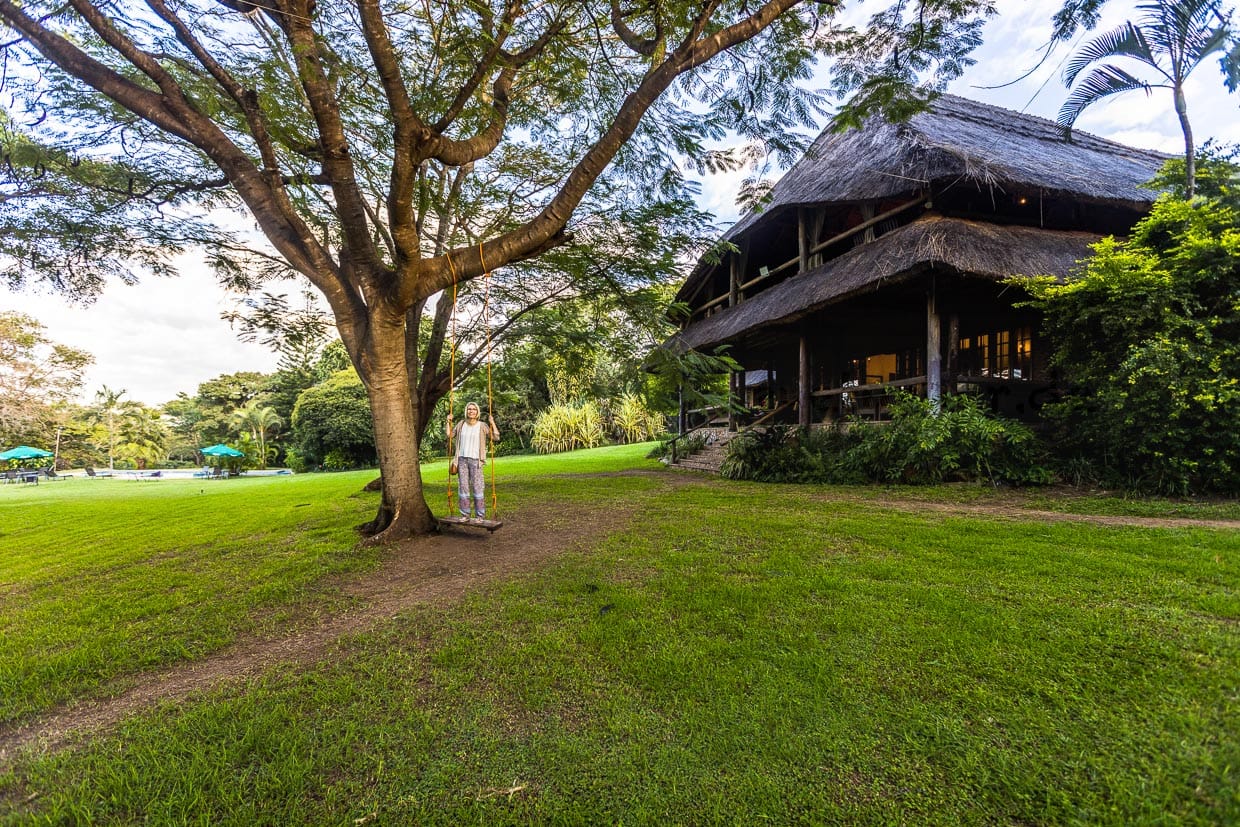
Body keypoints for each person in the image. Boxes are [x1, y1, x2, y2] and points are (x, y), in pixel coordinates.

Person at [446, 401, 500, 520]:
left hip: (476, 461)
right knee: (463, 487)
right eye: (469, 409)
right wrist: (448, 422)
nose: (471, 411)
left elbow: (496, 436)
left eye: (474, 409)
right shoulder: (461, 424)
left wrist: (492, 422)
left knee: (478, 487)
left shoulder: (482, 426)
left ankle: (480, 516)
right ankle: (465, 515)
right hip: (461, 460)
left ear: (477, 412)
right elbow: (450, 435)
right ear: (467, 411)